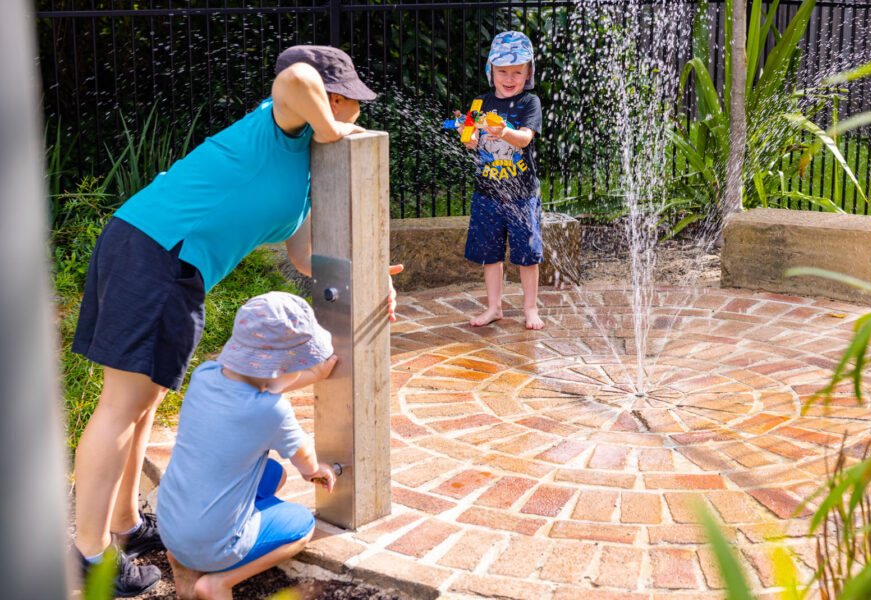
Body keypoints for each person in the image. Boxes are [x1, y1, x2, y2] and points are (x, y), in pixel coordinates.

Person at [70, 44, 398, 596]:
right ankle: (89, 551)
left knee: (143, 402)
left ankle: (125, 524)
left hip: (169, 261)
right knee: (121, 406)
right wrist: (328, 129)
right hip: (156, 251)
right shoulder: (285, 124)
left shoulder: (299, 172)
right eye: (351, 104)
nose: (355, 115)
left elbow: (305, 254)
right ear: (333, 98)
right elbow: (293, 76)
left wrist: (373, 278)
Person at [156, 292, 337, 600]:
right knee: (303, 525)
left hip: (171, 526)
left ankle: (184, 565)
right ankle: (219, 582)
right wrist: (315, 471)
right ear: (282, 364)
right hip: (216, 544)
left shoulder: (204, 375)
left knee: (272, 473)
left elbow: (260, 383)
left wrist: (312, 375)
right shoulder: (271, 411)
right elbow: (306, 461)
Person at [459, 31, 545, 330]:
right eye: (502, 71)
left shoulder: (529, 102)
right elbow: (470, 142)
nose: (509, 78)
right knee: (490, 255)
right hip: (487, 195)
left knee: (527, 256)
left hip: (522, 196)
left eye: (517, 72)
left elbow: (523, 139)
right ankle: (494, 308)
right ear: (490, 71)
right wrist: (466, 132)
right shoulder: (478, 103)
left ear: (528, 73)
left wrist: (501, 132)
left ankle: (530, 308)